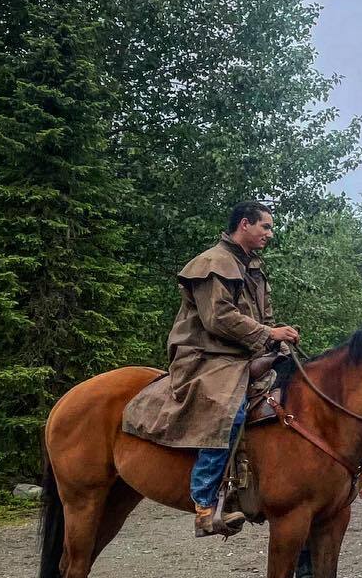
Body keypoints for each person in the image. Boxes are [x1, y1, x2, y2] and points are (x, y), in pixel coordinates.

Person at [122, 201, 302, 538]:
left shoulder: (253, 268)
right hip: (205, 356)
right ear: (245, 224)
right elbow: (217, 318)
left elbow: (263, 317)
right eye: (265, 227)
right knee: (227, 409)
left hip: (240, 354)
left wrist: (277, 339)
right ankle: (205, 504)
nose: (269, 234)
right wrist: (267, 334)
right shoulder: (213, 263)